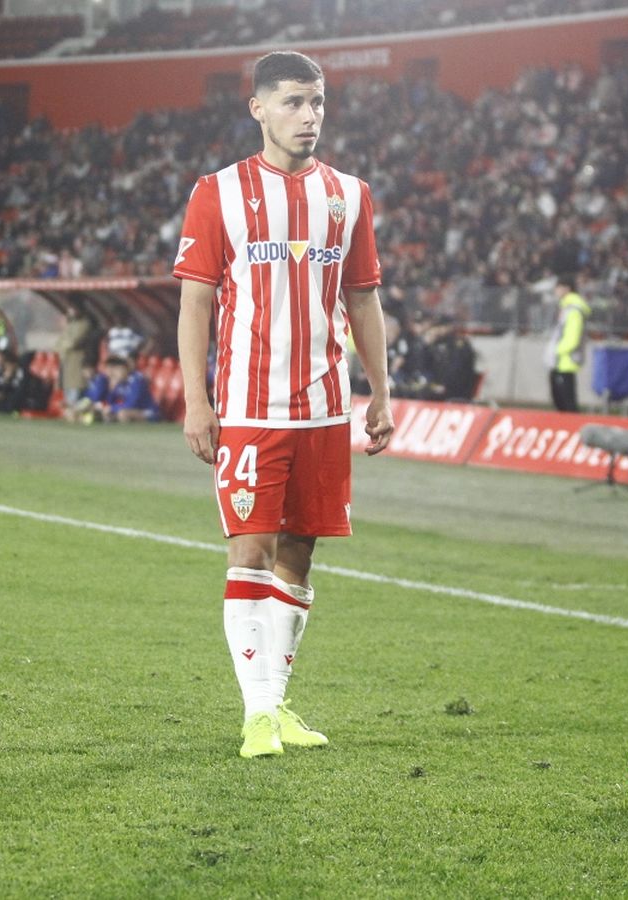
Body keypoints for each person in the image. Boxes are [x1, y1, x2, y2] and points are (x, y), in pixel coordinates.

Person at [173, 50, 392, 759]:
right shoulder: (218, 192)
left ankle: (275, 706)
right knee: (251, 549)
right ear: (258, 109)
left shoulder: (350, 195)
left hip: (326, 410)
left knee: (299, 555)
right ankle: (257, 715)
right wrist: (197, 401)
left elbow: (363, 298)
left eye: (318, 102)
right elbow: (196, 302)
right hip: (246, 408)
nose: (310, 116)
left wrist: (380, 393)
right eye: (295, 102)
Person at [547, 276, 589, 413]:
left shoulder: (573, 310)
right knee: (561, 401)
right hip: (560, 361)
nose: (556, 290)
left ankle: (572, 429)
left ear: (567, 288)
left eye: (558, 287)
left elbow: (572, 337)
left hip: (566, 361)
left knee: (567, 403)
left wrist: (557, 350)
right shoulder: (566, 307)